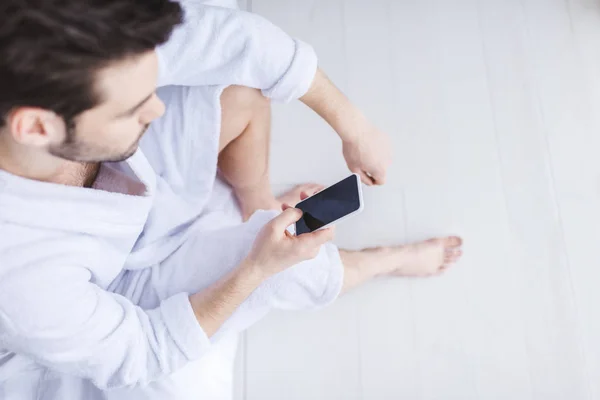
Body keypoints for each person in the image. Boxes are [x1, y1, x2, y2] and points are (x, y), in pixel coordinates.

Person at [0, 0, 464, 399]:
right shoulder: (21, 282)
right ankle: (382, 260)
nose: (157, 107)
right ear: (37, 126)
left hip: (130, 206)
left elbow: (240, 43)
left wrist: (355, 127)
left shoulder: (69, 41)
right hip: (109, 290)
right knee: (296, 267)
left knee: (240, 91)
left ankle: (256, 203)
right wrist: (256, 267)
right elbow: (145, 350)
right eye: (131, 109)